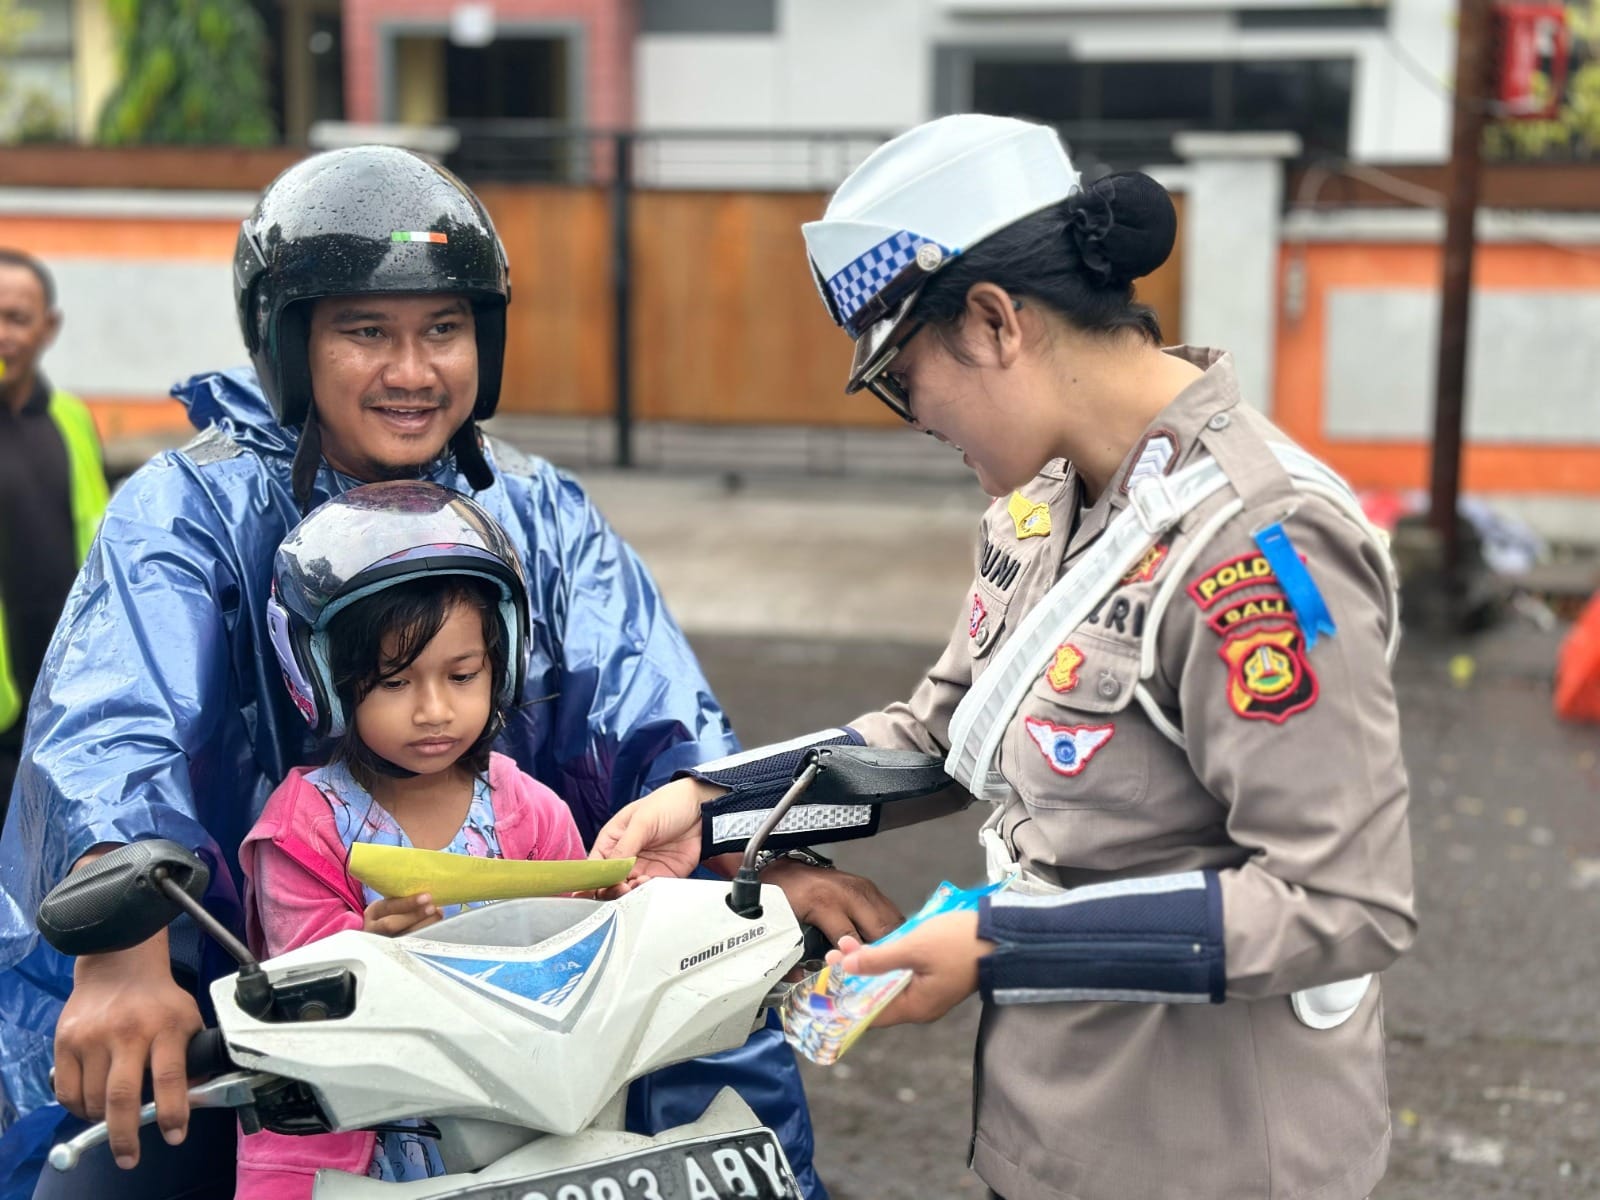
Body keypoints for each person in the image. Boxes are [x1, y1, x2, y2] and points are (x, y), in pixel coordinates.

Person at [0, 146, 888, 1200]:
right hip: (240, 1017)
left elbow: (653, 717)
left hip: (543, 1006)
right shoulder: (191, 510)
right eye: (365, 331)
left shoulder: (539, 509)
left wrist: (749, 848)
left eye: (444, 330)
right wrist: (127, 943)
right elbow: (115, 719)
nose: (413, 372)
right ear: (290, 344)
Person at [594, 114, 1417, 1200]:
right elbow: (948, 738)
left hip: (1213, 1162)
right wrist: (719, 808)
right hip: (1051, 1140)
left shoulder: (1259, 545)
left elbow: (1341, 904)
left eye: (903, 377)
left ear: (990, 322)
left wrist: (999, 943)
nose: (913, 416)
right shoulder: (1046, 500)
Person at [237, 481, 587, 1196]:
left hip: (520, 1138)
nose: (434, 710)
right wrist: (366, 947)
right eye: (394, 683)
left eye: (462, 675)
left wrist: (613, 910)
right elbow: (303, 997)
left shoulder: (532, 812)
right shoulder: (304, 823)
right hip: (363, 1154)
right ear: (326, 681)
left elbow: (583, 971)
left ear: (504, 662)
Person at [0, 250, 107, 818]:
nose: (2, 336)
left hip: (62, 705)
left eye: (16, 319)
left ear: (49, 327)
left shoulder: (71, 418)